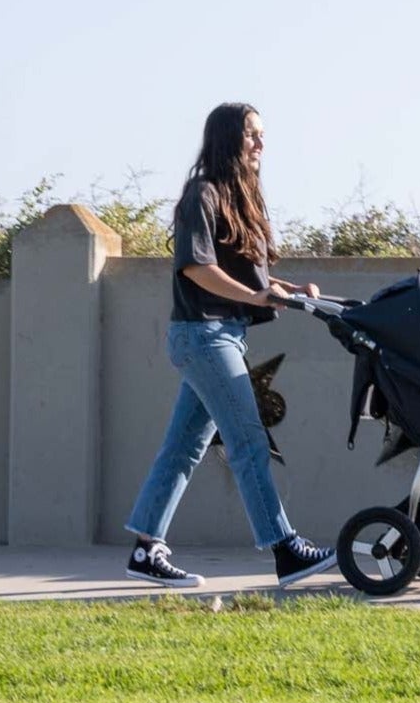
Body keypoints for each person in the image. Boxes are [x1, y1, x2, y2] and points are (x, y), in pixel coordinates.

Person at [124, 102, 338, 589]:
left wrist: (288, 289)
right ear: (227, 139)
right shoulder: (200, 194)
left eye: (262, 134)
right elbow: (198, 268)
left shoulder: (240, 197)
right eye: (251, 135)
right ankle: (286, 550)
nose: (261, 143)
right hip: (202, 334)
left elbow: (246, 274)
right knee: (247, 440)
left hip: (222, 335)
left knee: (183, 448)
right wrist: (255, 296)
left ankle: (145, 548)